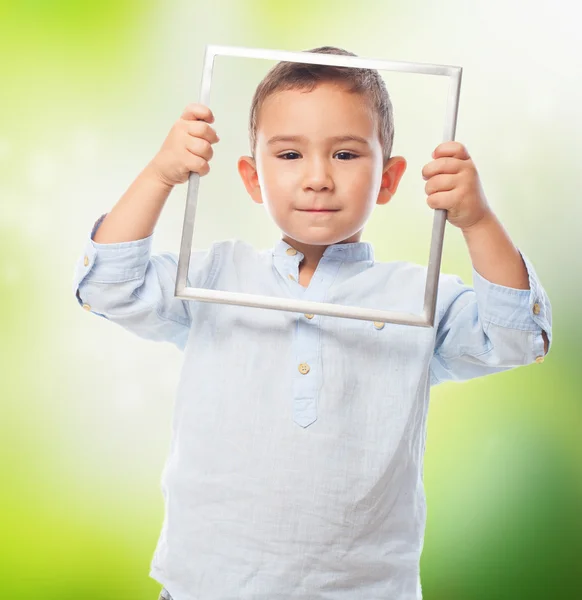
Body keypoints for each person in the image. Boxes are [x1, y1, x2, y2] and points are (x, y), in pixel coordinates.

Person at [72, 46, 552, 600]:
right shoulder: (216, 277)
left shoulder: (416, 297)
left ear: (389, 179)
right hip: (208, 585)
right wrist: (159, 174)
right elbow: (107, 286)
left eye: (346, 154)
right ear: (252, 179)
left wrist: (477, 220)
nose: (319, 178)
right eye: (290, 154)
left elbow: (517, 336)